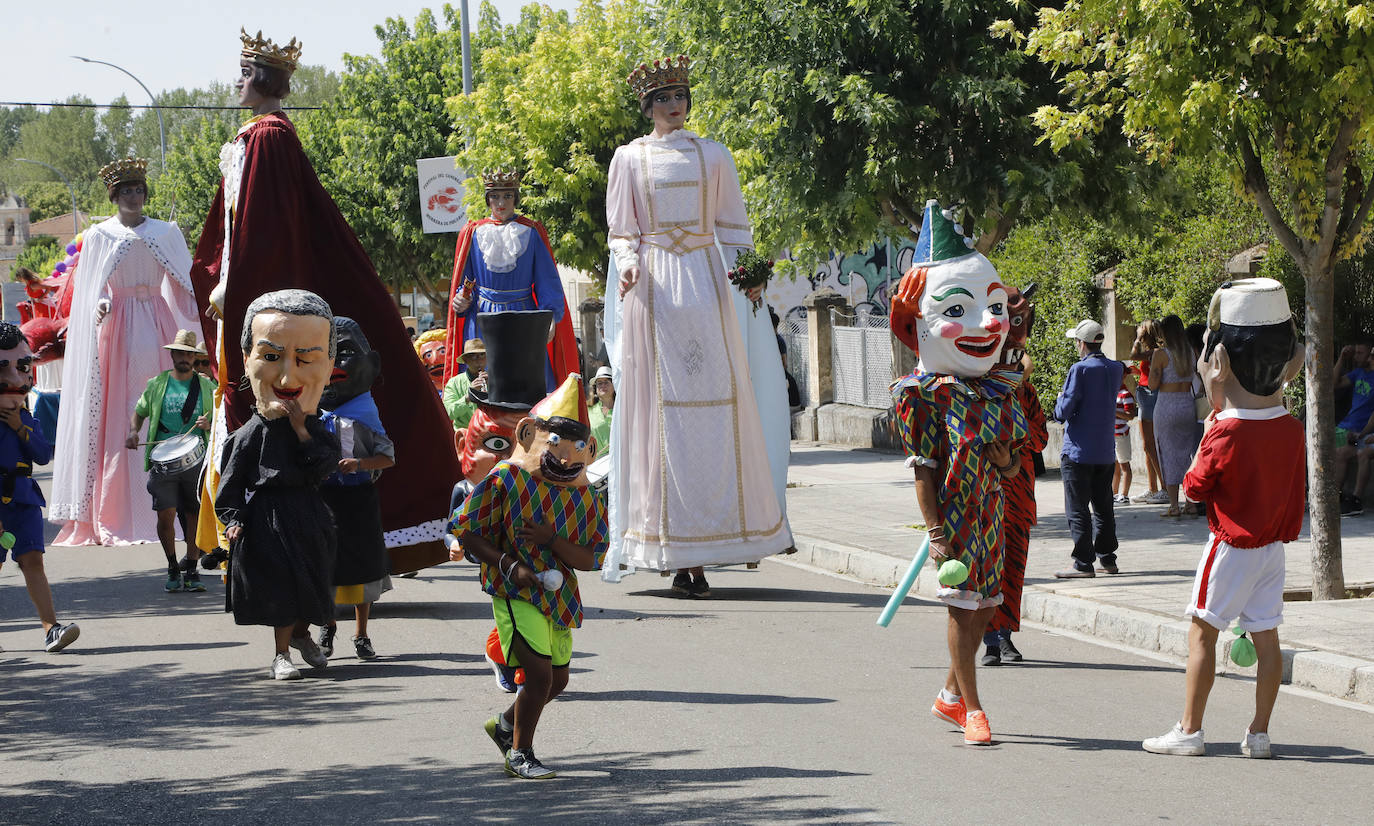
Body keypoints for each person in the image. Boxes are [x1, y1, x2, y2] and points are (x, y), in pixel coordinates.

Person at [190, 28, 458, 576]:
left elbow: (267, 232)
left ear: (262, 81)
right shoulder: (253, 137)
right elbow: (240, 228)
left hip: (272, 298)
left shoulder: (268, 137)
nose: (236, 82)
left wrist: (237, 287)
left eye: (244, 73)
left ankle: (295, 555)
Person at [603, 55, 793, 595]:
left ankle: (723, 541)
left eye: (680, 95)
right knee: (663, 419)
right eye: (664, 98)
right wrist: (630, 261)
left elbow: (735, 230)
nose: (674, 105)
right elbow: (622, 230)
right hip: (656, 292)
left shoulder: (714, 156)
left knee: (720, 410)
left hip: (708, 286)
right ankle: (670, 547)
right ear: (648, 105)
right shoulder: (629, 159)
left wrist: (753, 275)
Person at [1143, 278, 1304, 759]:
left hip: (1230, 543)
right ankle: (1258, 733)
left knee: (1202, 631)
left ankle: (1189, 730)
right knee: (1268, 635)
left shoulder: (1226, 429)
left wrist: (1213, 410)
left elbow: (1193, 487)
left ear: (1223, 361)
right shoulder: (1291, 427)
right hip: (1271, 549)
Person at [890, 200, 1027, 746]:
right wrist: (935, 531)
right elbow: (923, 467)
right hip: (955, 518)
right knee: (963, 609)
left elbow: (1016, 461)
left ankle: (949, 696)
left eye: (995, 306)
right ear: (917, 319)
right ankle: (973, 709)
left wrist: (1007, 462)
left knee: (983, 611)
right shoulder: (921, 396)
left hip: (994, 513)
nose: (990, 323)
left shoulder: (1000, 389)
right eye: (959, 311)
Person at [451, 373, 608, 779]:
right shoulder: (505, 479)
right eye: (555, 442)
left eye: (576, 446)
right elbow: (467, 530)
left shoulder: (587, 497)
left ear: (589, 450)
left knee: (557, 681)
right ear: (528, 435)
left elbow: (592, 558)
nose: (565, 455)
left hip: (560, 594)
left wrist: (551, 540)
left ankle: (504, 727)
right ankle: (520, 753)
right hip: (513, 590)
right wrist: (509, 565)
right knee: (537, 675)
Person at [51, 158, 199, 546]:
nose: (134, 196)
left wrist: (203, 308)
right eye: (127, 191)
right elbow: (90, 287)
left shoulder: (165, 233)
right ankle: (119, 510)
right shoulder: (100, 235)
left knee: (170, 406)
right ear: (114, 196)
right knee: (121, 410)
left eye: (139, 190)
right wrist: (100, 303)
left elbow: (185, 281)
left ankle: (179, 505)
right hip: (117, 330)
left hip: (159, 323)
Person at [217, 290, 340, 681]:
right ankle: (281, 653)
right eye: (271, 357)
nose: (288, 376)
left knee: (312, 584)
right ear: (247, 359)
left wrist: (302, 429)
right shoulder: (249, 434)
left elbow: (323, 467)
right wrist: (233, 520)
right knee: (282, 588)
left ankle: (303, 636)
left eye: (306, 359)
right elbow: (231, 486)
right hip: (268, 519)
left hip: (309, 513)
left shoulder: (317, 428)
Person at [444, 170, 578, 392]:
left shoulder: (531, 232)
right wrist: (461, 299)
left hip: (522, 316)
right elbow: (466, 281)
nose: (501, 202)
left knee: (525, 381)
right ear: (488, 199)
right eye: (495, 196)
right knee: (484, 385)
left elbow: (547, 280)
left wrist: (551, 315)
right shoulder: (474, 233)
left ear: (515, 198)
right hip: (483, 319)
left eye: (507, 196)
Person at [317, 317, 394, 661]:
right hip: (323, 498)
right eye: (321, 354)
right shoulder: (309, 411)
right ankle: (326, 626)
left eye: (343, 353)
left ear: (371, 364)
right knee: (324, 563)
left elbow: (388, 457)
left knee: (363, 565)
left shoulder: (366, 412)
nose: (332, 364)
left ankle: (362, 634)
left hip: (359, 498)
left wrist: (359, 465)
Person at [0, 322, 80, 653]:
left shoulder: (26, 416)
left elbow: (43, 453)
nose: (16, 379)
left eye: (22, 367)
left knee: (33, 560)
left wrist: (21, 428)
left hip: (23, 495)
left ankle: (51, 627)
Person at [981, 286, 1048, 667]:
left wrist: (1014, 448)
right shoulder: (973, 392)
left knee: (1013, 568)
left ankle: (1006, 636)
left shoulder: (1025, 393)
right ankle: (989, 639)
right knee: (987, 567)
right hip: (983, 496)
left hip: (1019, 496)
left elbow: (1041, 435)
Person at [126, 330, 216, 592]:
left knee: (193, 514)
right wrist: (133, 433)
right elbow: (139, 413)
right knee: (165, 515)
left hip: (196, 457)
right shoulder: (157, 384)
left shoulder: (207, 387)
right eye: (181, 353)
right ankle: (172, 565)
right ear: (173, 354)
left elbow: (220, 419)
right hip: (162, 460)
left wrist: (209, 424)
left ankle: (191, 568)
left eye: (190, 354)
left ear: (194, 356)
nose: (185, 358)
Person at [1053, 319, 1125, 578]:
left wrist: (1059, 402)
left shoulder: (1079, 369)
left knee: (1078, 508)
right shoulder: (1115, 368)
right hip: (1105, 450)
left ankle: (1083, 562)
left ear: (1082, 343)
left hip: (1078, 450)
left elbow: (1064, 411)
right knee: (1104, 507)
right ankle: (1108, 558)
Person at [1149, 315, 1200, 518]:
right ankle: (1191, 503)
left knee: (1168, 454)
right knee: (1189, 454)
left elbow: (1152, 385)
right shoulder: (1190, 352)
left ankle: (1173, 505)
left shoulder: (1161, 354)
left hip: (1167, 405)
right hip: (1187, 404)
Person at [1334, 341, 1374, 515]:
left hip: (1362, 433)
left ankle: (1355, 500)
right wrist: (1341, 359)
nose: (1356, 356)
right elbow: (1334, 384)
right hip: (1350, 431)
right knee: (1337, 451)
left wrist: (1361, 434)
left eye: (1360, 353)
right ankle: (1334, 496)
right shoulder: (1358, 373)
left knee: (1331, 449)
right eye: (1355, 353)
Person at [1129, 320, 1167, 503]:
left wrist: (1137, 339)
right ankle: (1153, 488)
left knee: (1150, 445)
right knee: (1148, 446)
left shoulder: (1154, 352)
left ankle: (1164, 488)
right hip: (1146, 396)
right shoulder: (1151, 353)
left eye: (1140, 328)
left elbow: (1133, 354)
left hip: (1151, 397)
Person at [442, 338, 487, 432]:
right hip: (465, 435)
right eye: (473, 357)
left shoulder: (496, 380)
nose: (479, 360)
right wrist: (468, 397)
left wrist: (493, 387)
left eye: (482, 355)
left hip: (491, 435)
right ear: (465, 360)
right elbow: (448, 412)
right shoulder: (454, 383)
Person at [1112, 377, 1138, 504]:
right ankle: (1114, 493)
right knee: (1115, 466)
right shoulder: (1111, 393)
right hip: (1112, 435)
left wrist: (1114, 411)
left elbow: (1130, 415)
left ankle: (1124, 494)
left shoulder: (1125, 394)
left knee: (1124, 465)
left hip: (1121, 435)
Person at [588, 366, 614, 460]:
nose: (603, 386)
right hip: (596, 467)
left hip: (620, 462)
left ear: (614, 385)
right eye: (599, 383)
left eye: (606, 382)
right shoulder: (588, 411)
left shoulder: (622, 410)